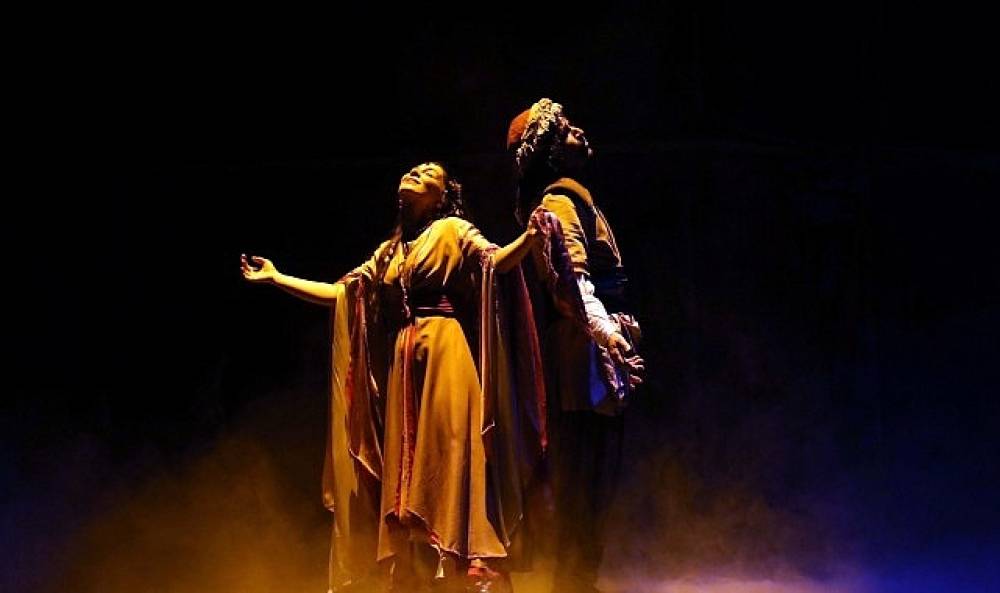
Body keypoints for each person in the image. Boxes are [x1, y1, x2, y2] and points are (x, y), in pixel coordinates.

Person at [242, 162, 549, 593]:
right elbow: (341, 294)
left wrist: (529, 240)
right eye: (414, 168)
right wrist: (277, 278)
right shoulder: (389, 252)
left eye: (429, 172)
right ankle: (417, 570)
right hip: (404, 367)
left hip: (444, 353)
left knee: (450, 451)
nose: (417, 171)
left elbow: (492, 263)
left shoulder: (453, 229)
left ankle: (466, 558)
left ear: (443, 196)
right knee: (407, 467)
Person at [506, 99, 644, 593]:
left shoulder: (575, 199)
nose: (579, 132)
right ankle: (573, 582)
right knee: (586, 478)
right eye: (564, 130)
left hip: (589, 345)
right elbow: (572, 283)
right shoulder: (560, 202)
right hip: (583, 351)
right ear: (549, 151)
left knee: (590, 479)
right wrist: (607, 334)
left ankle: (578, 580)